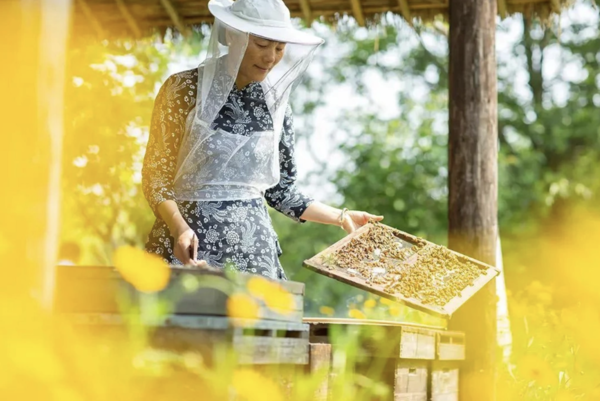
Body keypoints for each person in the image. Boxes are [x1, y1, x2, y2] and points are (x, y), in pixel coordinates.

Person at [142, 0, 383, 279]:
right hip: (185, 246)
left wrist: (341, 217)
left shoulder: (275, 106)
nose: (271, 58)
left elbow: (281, 191)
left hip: (254, 255)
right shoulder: (182, 89)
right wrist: (178, 228)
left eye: (280, 48)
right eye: (262, 44)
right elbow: (155, 177)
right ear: (233, 36)